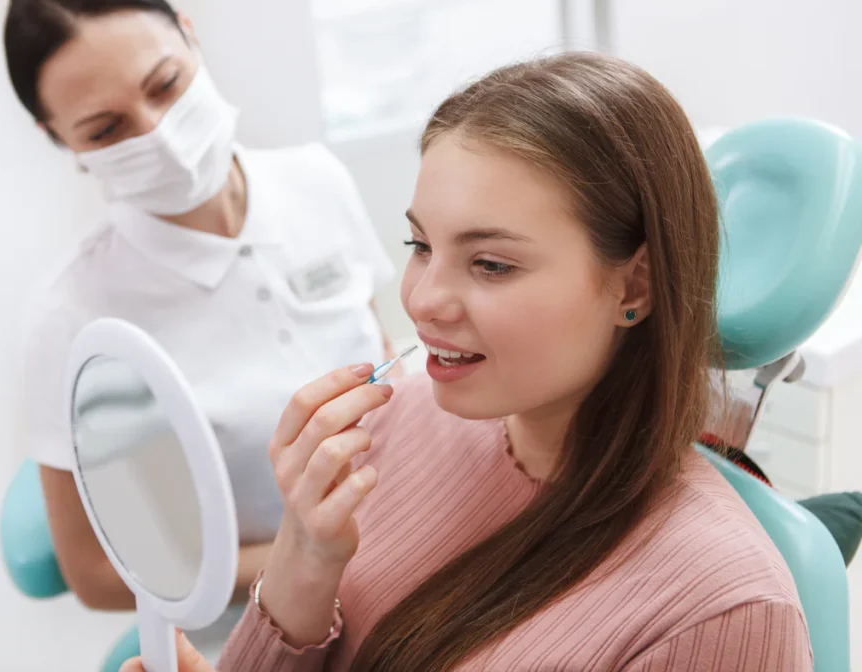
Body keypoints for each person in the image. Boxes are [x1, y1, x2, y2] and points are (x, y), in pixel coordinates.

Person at [123, 53, 812, 670]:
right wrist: (303, 555)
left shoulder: (726, 612)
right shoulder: (392, 422)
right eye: (420, 246)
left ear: (635, 287)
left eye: (491, 264)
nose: (422, 300)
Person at [3, 0, 398, 612]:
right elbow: (97, 574)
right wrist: (312, 554)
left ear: (190, 37)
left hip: (408, 538)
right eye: (106, 130)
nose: (159, 135)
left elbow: (382, 356)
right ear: (59, 138)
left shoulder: (315, 180)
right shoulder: (74, 314)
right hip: (260, 611)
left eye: (165, 84)